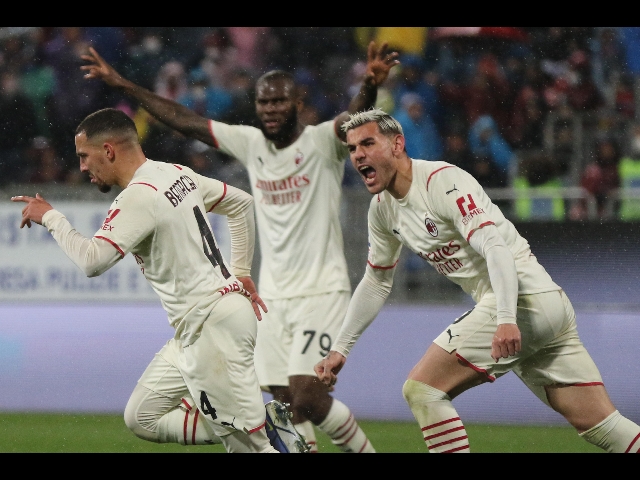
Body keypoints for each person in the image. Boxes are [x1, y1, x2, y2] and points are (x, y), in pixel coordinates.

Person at [80, 41, 400, 453]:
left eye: (279, 101)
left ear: (298, 103)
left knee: (307, 397)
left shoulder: (321, 141)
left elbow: (351, 121)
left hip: (321, 289)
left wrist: (370, 84)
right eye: (263, 102)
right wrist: (123, 84)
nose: (270, 109)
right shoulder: (251, 144)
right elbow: (187, 121)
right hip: (273, 295)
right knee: (284, 405)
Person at [314, 108, 640, 453]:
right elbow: (376, 282)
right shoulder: (382, 210)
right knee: (602, 425)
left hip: (521, 301)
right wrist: (340, 348)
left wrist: (506, 318)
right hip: (545, 306)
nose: (358, 155)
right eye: (352, 148)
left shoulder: (441, 182)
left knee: (423, 389)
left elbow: (495, 247)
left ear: (397, 144)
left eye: (368, 143)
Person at [11, 107, 308, 454]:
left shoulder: (139, 196)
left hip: (211, 327)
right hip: (203, 324)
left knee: (255, 447)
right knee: (142, 416)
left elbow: (92, 261)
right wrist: (240, 272)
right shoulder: (174, 172)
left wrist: (52, 218)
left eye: (84, 156)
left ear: (108, 150)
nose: (82, 167)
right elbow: (241, 203)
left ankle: (258, 428)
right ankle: (258, 423)